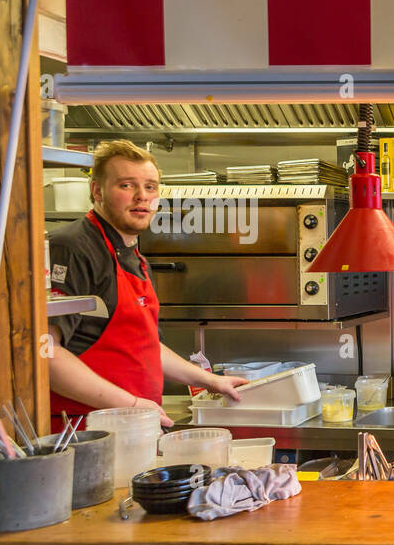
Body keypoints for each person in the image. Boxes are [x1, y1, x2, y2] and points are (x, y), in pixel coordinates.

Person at [47, 140, 246, 429]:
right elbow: (46, 355)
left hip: (130, 428)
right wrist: (134, 405)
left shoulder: (134, 256)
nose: (142, 196)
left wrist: (211, 380)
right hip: (83, 433)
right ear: (97, 191)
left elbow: (145, 347)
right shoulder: (73, 248)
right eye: (127, 185)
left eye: (151, 187)